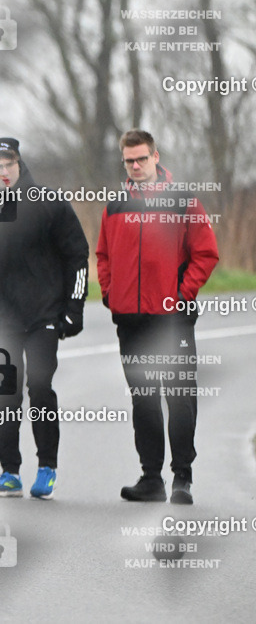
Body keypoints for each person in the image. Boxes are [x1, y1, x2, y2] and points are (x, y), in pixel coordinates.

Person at [0, 137, 89, 500]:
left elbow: (78, 254)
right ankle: (9, 472)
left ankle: (47, 467)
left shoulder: (48, 203)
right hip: (0, 321)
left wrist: (74, 309)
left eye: (9, 164)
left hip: (44, 316)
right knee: (4, 394)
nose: (3, 171)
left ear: (19, 165)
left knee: (40, 387)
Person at [97, 129, 218, 505]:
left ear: (155, 156)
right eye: (129, 161)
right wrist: (109, 292)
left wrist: (182, 294)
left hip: (172, 320)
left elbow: (206, 254)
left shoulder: (183, 200)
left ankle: (182, 478)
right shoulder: (115, 205)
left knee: (179, 397)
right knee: (144, 399)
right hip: (130, 321)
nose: (135, 166)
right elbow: (103, 256)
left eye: (141, 159)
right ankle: (151, 478)